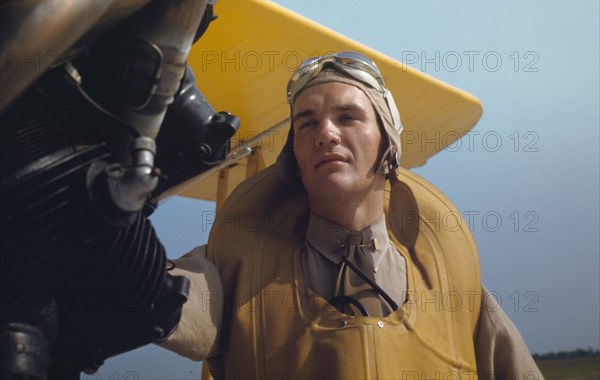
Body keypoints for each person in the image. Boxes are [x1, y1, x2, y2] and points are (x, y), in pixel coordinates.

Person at [160, 52, 543, 379]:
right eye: (307, 123)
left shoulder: (449, 273)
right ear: (293, 153)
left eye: (348, 117)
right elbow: (149, 293)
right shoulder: (235, 263)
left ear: (387, 143)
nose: (325, 133)